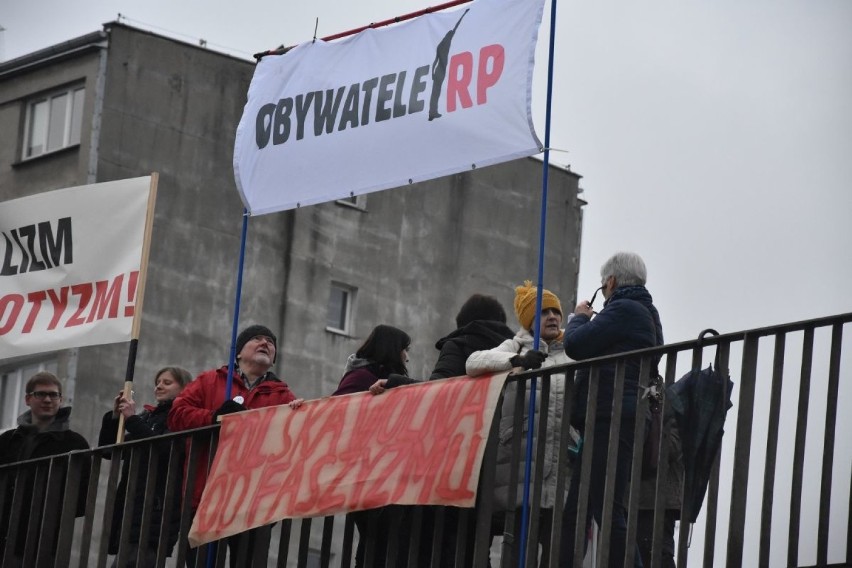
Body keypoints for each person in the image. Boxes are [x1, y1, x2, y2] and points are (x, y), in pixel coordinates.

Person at [559, 252, 664, 568]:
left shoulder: (624, 309)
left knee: (606, 506)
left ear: (611, 281)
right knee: (577, 509)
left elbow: (575, 345)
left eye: (603, 287)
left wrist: (579, 317)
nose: (603, 294)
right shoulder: (646, 311)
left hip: (613, 415)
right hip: (613, 414)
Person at [168, 324, 301, 567]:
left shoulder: (284, 396)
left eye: (270, 343)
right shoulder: (210, 381)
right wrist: (214, 417)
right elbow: (177, 415)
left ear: (273, 360)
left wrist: (297, 416)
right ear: (238, 352)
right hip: (205, 496)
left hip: (255, 501)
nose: (265, 344)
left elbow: (294, 442)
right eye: (257, 339)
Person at [465, 280, 574, 567]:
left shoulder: (571, 349)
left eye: (556, 312)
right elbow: (473, 362)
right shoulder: (515, 344)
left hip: (558, 463)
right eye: (544, 312)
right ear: (529, 320)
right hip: (520, 463)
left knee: (555, 546)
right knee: (519, 546)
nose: (553, 316)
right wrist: (519, 360)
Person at [332, 324, 413, 567]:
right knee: (376, 545)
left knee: (379, 544)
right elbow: (338, 411)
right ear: (392, 349)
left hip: (378, 472)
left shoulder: (378, 376)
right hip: (367, 473)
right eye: (404, 349)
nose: (406, 356)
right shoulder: (361, 377)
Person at [98, 366, 192, 567]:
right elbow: (109, 450)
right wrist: (116, 418)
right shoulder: (148, 417)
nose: (159, 386)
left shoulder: (181, 417)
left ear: (185, 389)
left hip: (156, 508)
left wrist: (132, 419)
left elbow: (164, 447)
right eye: (157, 382)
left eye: (167, 383)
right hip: (133, 505)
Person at [0, 371, 90, 565]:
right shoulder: (7, 441)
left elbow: (81, 500)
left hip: (43, 538)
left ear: (60, 399)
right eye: (41, 394)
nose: (48, 400)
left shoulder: (74, 443)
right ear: (27, 399)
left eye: (53, 395)